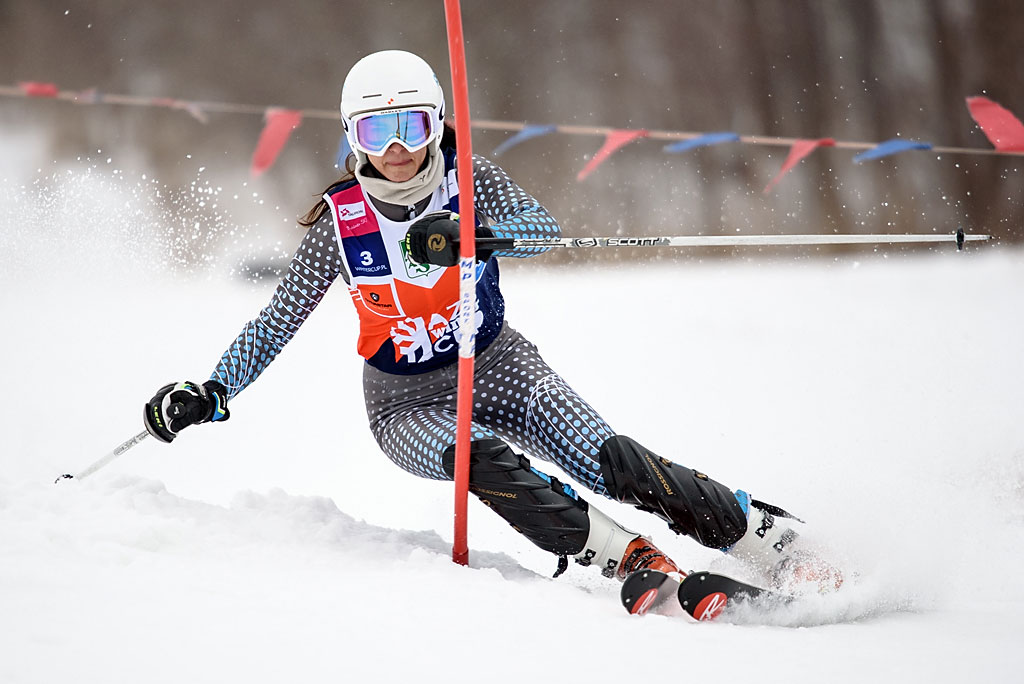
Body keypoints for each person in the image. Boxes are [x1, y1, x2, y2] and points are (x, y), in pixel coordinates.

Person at [144, 50, 841, 594]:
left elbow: (544, 232)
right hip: (405, 403)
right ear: (352, 137)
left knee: (611, 459)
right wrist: (212, 391)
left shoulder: (469, 178)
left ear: (435, 123)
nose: (396, 148)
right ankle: (624, 556)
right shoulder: (340, 223)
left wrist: (472, 233)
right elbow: (276, 322)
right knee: (480, 458)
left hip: (501, 364)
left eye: (411, 126)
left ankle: (762, 538)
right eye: (375, 131)